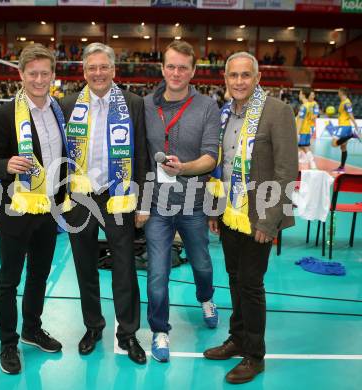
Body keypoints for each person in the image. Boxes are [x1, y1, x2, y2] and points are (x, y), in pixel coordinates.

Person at [204, 52, 298, 384]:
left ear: (257, 78)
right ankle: (238, 338)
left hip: (259, 216)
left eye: (246, 75)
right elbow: (221, 165)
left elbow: (287, 172)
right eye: (233, 75)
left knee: (251, 284)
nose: (239, 81)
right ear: (225, 80)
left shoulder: (277, 111)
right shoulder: (225, 114)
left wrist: (269, 222)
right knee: (233, 277)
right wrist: (215, 209)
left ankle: (255, 355)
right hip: (230, 213)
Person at [0, 44, 69, 375]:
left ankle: (31, 329)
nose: (40, 80)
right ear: (21, 74)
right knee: (9, 279)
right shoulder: (4, 115)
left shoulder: (59, 111)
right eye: (33, 74)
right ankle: (7, 342)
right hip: (15, 210)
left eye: (45, 73)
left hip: (47, 210)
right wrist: (6, 164)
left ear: (53, 74)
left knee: (39, 275)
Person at [60, 42, 149, 365]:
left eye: (103, 67)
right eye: (91, 68)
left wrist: (144, 202)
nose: (98, 73)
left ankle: (128, 332)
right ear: (83, 72)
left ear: (114, 70)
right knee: (85, 266)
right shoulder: (68, 105)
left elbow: (143, 154)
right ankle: (93, 326)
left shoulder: (133, 103)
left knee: (124, 267)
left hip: (120, 195)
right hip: (80, 197)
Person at [143, 40, 220, 363]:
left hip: (194, 202)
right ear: (162, 68)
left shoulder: (207, 107)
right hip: (157, 204)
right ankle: (160, 330)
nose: (176, 73)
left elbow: (211, 157)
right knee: (157, 273)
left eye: (183, 67)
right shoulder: (145, 105)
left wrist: (184, 168)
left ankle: (206, 298)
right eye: (171, 66)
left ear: (193, 71)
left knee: (201, 263)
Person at [331, 87, 359, 173]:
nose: (338, 93)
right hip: (344, 125)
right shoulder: (343, 102)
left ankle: (352, 135)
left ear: (342, 93)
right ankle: (342, 167)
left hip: (344, 126)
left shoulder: (347, 103)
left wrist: (355, 123)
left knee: (334, 144)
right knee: (343, 147)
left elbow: (350, 114)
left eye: (338, 92)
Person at [297, 88, 319, 169]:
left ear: (303, 95)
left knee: (304, 147)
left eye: (300, 93)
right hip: (306, 129)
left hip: (303, 129)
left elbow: (301, 120)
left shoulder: (304, 106)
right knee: (300, 146)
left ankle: (312, 163)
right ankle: (305, 160)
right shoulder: (309, 105)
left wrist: (296, 133)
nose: (299, 95)